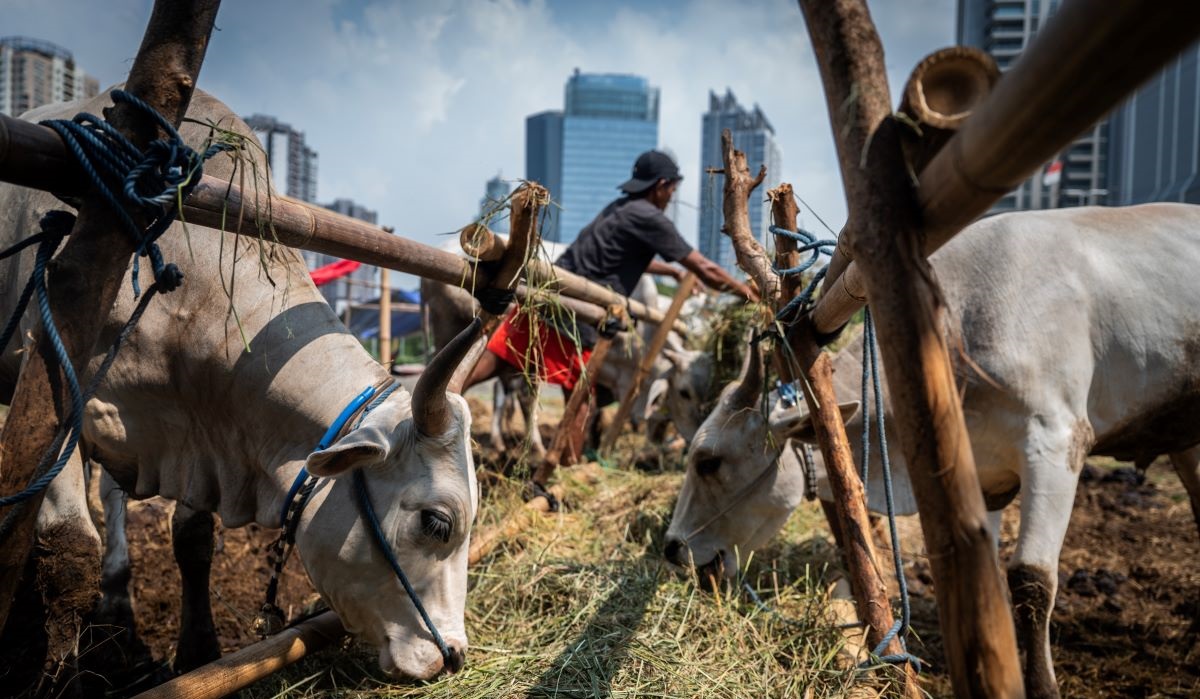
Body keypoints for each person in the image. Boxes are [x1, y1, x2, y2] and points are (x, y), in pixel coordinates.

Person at [465, 149, 756, 395]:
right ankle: (567, 460)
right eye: (671, 191)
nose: (670, 198)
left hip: (552, 294)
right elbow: (704, 268)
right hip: (578, 310)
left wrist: (671, 272)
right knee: (581, 398)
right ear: (661, 186)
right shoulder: (650, 217)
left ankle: (441, 400)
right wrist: (748, 294)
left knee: (493, 362)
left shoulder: (621, 208)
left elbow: (617, 258)